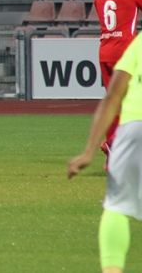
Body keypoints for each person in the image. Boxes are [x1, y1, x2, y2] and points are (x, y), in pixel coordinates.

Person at [68, 18, 142, 273]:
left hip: (133, 130)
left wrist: (88, 152)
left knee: (117, 206)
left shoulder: (138, 45)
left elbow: (112, 97)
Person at [90, 0, 142, 160]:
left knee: (114, 102)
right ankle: (112, 143)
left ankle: (114, 157)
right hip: (125, 53)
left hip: (105, 51)